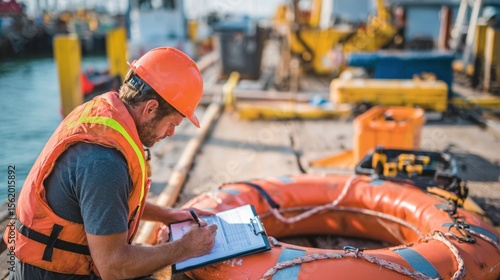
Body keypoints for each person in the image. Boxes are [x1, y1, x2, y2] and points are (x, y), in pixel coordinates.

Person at [4, 47, 218, 279]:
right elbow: (114, 268)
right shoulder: (105, 162)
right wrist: (184, 248)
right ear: (150, 108)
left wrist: (168, 215)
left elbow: (106, 204)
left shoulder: (104, 115)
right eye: (172, 124)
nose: (171, 133)